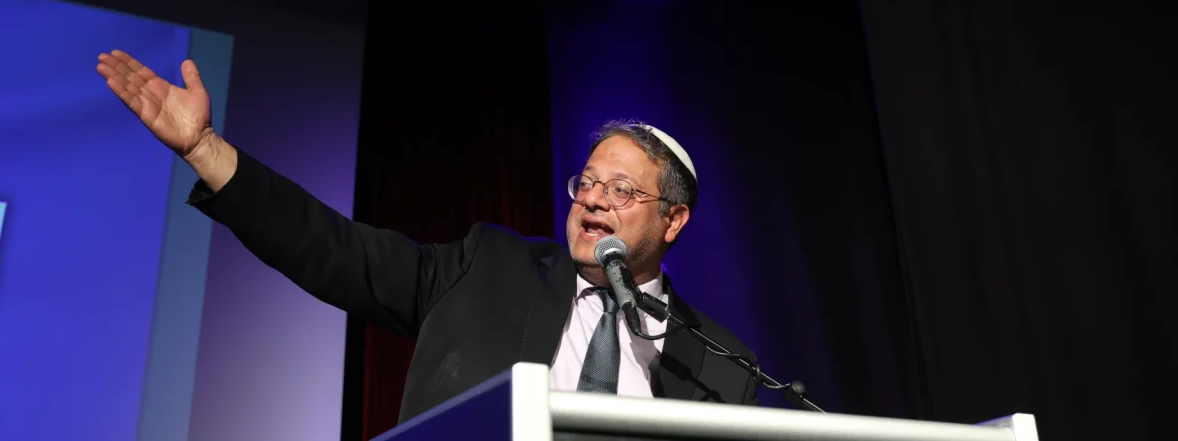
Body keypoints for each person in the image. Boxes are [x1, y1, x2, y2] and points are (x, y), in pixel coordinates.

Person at [95, 49, 757, 424]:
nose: (591, 199)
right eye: (586, 181)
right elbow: (333, 248)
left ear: (673, 219)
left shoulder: (720, 362)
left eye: (620, 190)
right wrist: (206, 148)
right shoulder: (488, 264)